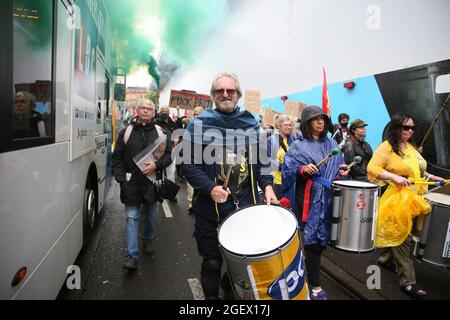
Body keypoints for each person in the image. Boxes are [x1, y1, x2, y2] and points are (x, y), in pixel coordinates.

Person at [182, 72, 276, 300]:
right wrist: (209, 188)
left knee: (242, 263)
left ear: (238, 94)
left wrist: (269, 186)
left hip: (244, 208)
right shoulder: (199, 124)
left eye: (230, 90)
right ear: (213, 95)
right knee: (212, 261)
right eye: (220, 91)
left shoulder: (250, 123)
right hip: (210, 208)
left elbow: (263, 164)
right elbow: (187, 164)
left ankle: (230, 288)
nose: (225, 94)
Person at [367, 113, 444, 298]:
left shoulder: (411, 147)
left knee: (398, 233)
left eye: (412, 128)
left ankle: (385, 258)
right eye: (406, 127)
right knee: (403, 238)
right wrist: (394, 177)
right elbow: (372, 168)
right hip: (397, 200)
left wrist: (432, 178)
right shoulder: (386, 147)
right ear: (396, 128)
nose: (410, 131)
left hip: (415, 198)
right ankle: (407, 282)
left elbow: (419, 170)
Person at [282, 106, 349, 300]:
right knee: (313, 242)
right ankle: (316, 286)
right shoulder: (298, 146)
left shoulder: (331, 144)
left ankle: (305, 264)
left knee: (321, 240)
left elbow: (337, 168)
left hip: (328, 197)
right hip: (309, 197)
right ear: (307, 123)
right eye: (315, 119)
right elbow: (288, 170)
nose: (320, 122)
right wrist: (303, 169)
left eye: (322, 119)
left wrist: (342, 171)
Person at [112, 99, 172, 269]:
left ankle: (148, 239)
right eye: (143, 108)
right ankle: (132, 255)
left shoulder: (162, 133)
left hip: (151, 183)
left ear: (154, 113)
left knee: (151, 216)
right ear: (137, 111)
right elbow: (116, 157)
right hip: (130, 183)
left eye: (149, 109)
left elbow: (168, 156)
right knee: (132, 218)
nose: (146, 111)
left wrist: (156, 165)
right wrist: (120, 178)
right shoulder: (126, 132)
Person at [156, 106, 181, 202]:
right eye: (163, 111)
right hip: (158, 152)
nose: (165, 113)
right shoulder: (155, 123)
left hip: (171, 151)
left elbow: (179, 134)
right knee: (158, 173)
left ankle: (171, 194)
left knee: (171, 173)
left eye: (166, 111)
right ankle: (157, 193)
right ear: (160, 112)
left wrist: (177, 141)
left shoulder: (173, 124)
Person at [268, 114, 295, 198]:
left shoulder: (293, 139)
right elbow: (268, 160)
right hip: (277, 181)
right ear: (279, 126)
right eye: (286, 125)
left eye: (290, 125)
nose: (289, 127)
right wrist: (282, 166)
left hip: (290, 180)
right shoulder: (271, 140)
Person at [186, 106, 204, 215]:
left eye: (199, 114)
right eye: (195, 114)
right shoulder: (190, 126)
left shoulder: (209, 127)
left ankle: (198, 202)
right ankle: (190, 203)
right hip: (192, 157)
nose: (197, 116)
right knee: (190, 182)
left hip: (205, 159)